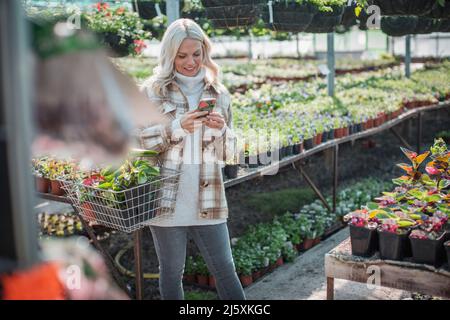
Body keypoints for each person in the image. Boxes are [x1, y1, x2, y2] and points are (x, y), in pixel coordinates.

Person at [138, 18, 245, 300]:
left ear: (204, 51)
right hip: (165, 201)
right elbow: (136, 144)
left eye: (196, 54)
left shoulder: (218, 94)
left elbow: (232, 153)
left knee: (225, 270)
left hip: (208, 198)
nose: (190, 62)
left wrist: (222, 129)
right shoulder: (151, 92)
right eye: (182, 56)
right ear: (169, 55)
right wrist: (176, 127)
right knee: (172, 273)